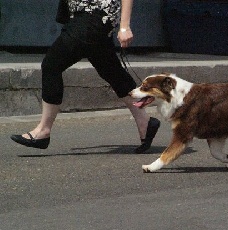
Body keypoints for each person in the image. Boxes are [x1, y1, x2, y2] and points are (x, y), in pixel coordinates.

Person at [10, 0, 160, 153]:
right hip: (89, 16)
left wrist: (124, 26)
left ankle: (43, 130)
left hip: (93, 15)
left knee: (52, 65)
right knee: (111, 71)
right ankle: (145, 122)